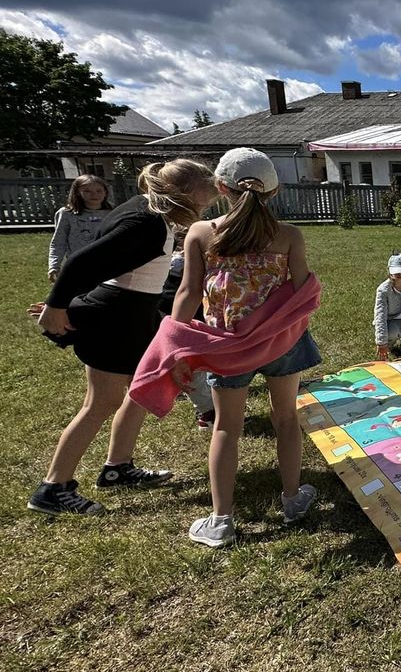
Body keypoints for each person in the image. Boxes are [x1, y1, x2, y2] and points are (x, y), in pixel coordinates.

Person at [27, 159, 218, 516]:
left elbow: (109, 264)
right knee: (100, 403)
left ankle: (118, 468)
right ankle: (53, 488)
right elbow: (82, 261)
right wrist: (58, 305)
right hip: (115, 319)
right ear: (184, 195)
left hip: (134, 315)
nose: (203, 210)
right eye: (203, 203)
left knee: (141, 389)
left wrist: (71, 302)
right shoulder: (145, 222)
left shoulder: (147, 211)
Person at [174, 148, 321, 547]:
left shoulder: (201, 233)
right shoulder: (289, 235)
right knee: (286, 419)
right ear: (274, 192)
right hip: (282, 343)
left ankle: (221, 520)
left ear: (220, 187)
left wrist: (176, 346)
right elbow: (303, 292)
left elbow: (188, 293)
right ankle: (293, 499)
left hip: (227, 347)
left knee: (226, 426)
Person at [156, 232, 215, 430]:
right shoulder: (181, 264)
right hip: (185, 319)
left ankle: (210, 408)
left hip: (182, 317)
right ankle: (208, 412)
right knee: (194, 367)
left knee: (196, 367)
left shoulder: (171, 261)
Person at [48, 174, 112, 281]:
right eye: (87, 191)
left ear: (105, 192)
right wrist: (54, 265)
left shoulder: (114, 213)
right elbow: (59, 242)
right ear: (77, 192)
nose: (94, 194)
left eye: (99, 190)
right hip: (78, 266)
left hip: (108, 266)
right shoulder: (66, 214)